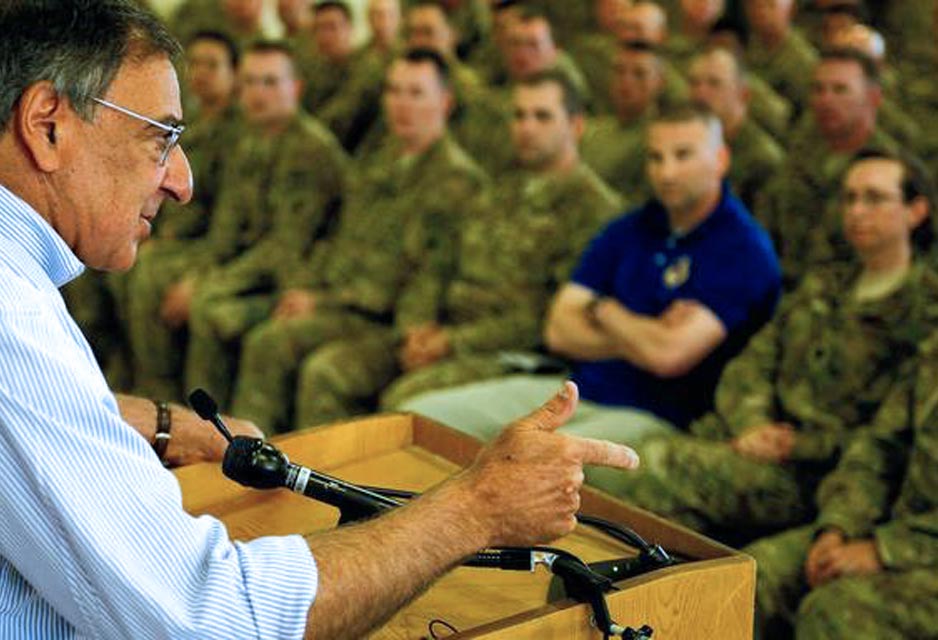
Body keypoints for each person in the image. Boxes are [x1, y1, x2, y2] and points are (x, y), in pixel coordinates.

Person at [0, 2, 641, 638]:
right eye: (160, 137)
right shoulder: (15, 319)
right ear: (48, 125)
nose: (182, 181)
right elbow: (215, 621)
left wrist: (153, 421)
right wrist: (476, 507)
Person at [603, 151, 938, 539]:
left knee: (643, 468)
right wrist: (754, 424)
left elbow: (894, 434)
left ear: (916, 211)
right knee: (650, 507)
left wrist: (799, 445)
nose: (857, 211)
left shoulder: (923, 310)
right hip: (753, 444)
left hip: (823, 475)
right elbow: (753, 364)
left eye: (874, 198)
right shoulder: (825, 286)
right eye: (850, 198)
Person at [400, 105, 780, 447]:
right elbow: (559, 330)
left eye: (683, 156)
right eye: (655, 157)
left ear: (720, 159)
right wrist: (634, 326)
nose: (667, 172)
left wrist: (601, 313)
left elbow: (668, 358)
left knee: (536, 459)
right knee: (419, 419)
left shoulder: (743, 248)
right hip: (579, 387)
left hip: (661, 414)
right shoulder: (632, 227)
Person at [295, 71, 622, 426]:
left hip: (511, 355)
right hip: (441, 334)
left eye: (542, 116)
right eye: (519, 115)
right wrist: (416, 328)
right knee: (327, 372)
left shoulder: (593, 210)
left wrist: (452, 342)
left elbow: (545, 318)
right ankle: (322, 479)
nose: (527, 127)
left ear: (575, 126)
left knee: (407, 401)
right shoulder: (498, 188)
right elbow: (438, 265)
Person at [229, 48, 487, 433]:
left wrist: (324, 301)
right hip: (347, 305)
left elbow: (426, 279)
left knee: (325, 370)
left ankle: (322, 483)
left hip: (394, 323)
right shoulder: (377, 160)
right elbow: (341, 240)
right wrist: (310, 289)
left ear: (445, 102)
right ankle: (247, 459)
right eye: (394, 91)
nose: (401, 104)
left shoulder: (458, 181)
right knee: (267, 342)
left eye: (416, 93)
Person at [688, 46, 785, 208]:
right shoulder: (690, 144)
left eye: (714, 84)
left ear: (743, 94)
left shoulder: (761, 159)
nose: (700, 93)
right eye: (694, 83)